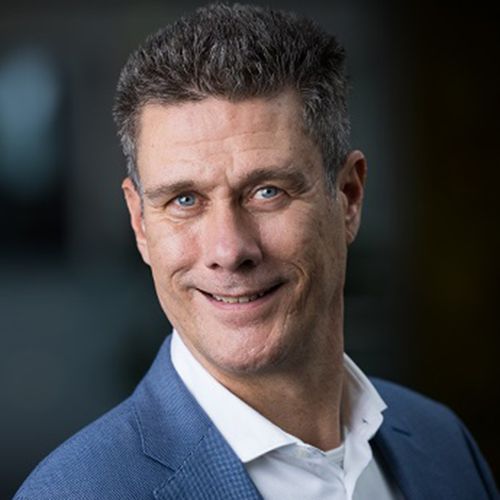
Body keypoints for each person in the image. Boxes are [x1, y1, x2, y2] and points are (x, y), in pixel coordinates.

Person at [15, 4, 497, 499]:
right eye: (184, 200)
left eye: (267, 192)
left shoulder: (442, 445)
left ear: (348, 197)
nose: (229, 250)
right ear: (140, 222)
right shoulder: (76, 492)